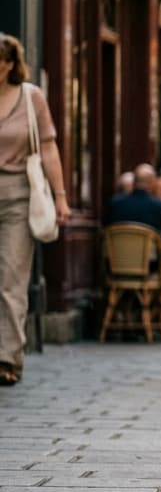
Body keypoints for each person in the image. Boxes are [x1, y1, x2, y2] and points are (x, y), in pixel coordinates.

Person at [0, 33, 71, 387]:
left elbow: (48, 148)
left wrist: (60, 196)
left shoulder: (31, 97)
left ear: (11, 64)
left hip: (17, 194)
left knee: (12, 279)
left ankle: (8, 357)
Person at [107, 163, 161, 340]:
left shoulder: (114, 204)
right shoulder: (159, 207)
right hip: (150, 268)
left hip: (116, 267)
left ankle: (130, 315)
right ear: (151, 183)